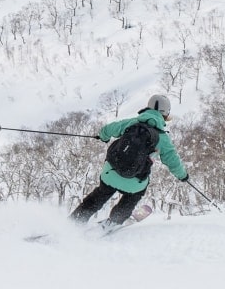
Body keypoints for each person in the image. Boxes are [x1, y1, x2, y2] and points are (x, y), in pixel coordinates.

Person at [70, 94, 188, 227]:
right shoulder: (163, 139)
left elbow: (107, 130)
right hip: (135, 182)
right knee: (134, 194)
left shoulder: (131, 123)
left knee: (100, 195)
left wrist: (103, 137)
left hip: (111, 173)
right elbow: (174, 162)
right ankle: (115, 221)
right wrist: (183, 176)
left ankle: (76, 220)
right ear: (165, 115)